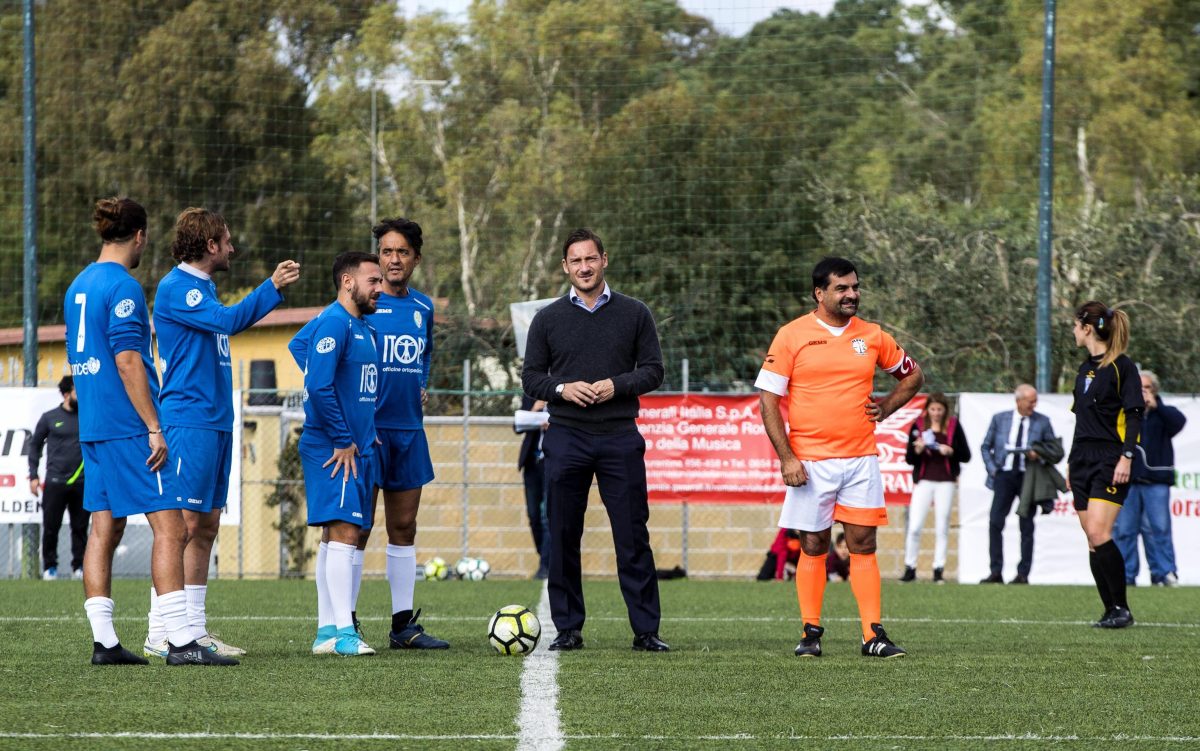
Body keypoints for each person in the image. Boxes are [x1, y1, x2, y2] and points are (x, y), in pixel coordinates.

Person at [65, 197, 235, 666]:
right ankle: (179, 640)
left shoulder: (78, 285)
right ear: (139, 236)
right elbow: (126, 361)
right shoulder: (123, 287)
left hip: (94, 425)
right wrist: (153, 426)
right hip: (127, 426)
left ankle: (105, 642)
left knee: (104, 526)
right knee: (171, 527)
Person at [144, 207, 300, 660]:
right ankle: (162, 631)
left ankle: (193, 629)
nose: (232, 248)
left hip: (215, 420)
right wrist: (271, 288)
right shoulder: (178, 288)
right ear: (209, 245)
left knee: (206, 526)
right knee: (183, 526)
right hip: (188, 420)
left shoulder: (203, 289)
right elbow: (230, 322)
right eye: (227, 241)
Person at [756, 256, 924, 659]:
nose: (852, 294)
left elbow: (913, 376)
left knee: (863, 543)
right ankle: (810, 633)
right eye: (842, 288)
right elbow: (768, 400)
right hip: (810, 461)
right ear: (820, 293)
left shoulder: (872, 335)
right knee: (813, 544)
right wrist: (787, 458)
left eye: (855, 287)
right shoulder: (792, 335)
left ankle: (873, 635)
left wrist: (886, 407)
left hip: (860, 458)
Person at [290, 219, 447, 650]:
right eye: (385, 252)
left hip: (408, 430)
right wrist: (332, 391)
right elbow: (304, 349)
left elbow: (425, 353)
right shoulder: (350, 309)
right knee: (353, 528)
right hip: (364, 433)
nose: (392, 260)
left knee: (404, 525)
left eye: (401, 252)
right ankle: (346, 624)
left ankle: (402, 626)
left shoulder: (423, 308)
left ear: (415, 258)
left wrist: (420, 383)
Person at [521, 227, 668, 652]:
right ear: (565, 266)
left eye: (591, 259)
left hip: (620, 436)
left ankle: (646, 631)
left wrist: (615, 386)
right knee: (564, 533)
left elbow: (653, 370)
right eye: (575, 261)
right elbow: (532, 377)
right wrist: (563, 390)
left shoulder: (635, 312)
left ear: (604, 259)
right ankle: (568, 628)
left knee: (632, 533)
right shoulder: (547, 318)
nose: (584, 267)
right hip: (566, 436)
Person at [291, 251, 383, 656]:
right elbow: (320, 387)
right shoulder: (334, 321)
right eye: (373, 281)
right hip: (333, 448)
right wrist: (345, 438)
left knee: (336, 536)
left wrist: (367, 431)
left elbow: (299, 346)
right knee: (346, 533)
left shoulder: (360, 326)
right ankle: (346, 634)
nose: (380, 288)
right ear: (348, 282)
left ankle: (327, 631)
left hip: (355, 445)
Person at [1069, 302, 1144, 628]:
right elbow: (1081, 421)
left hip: (1110, 458)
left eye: (1075, 325)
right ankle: (1110, 610)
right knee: (1091, 538)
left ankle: (1123, 609)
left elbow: (1134, 413)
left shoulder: (1123, 367)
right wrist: (1071, 463)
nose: (1072, 331)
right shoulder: (1084, 370)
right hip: (1082, 460)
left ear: (1087, 327)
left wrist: (1127, 456)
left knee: (1100, 533)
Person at [979, 385, 1056, 584]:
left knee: (1026, 525)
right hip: (1003, 476)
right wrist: (993, 470)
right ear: (1018, 401)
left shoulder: (1043, 422)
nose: (1033, 405)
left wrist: (1038, 454)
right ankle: (995, 571)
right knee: (995, 522)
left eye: (1035, 401)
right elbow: (985, 446)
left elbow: (1053, 450)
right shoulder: (1000, 419)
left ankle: (1023, 574)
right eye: (1030, 401)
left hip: (1028, 477)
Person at [1114, 370, 1184, 587]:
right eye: (1138, 388)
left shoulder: (1164, 413)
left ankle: (1165, 573)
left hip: (1157, 480)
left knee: (1159, 529)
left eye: (1146, 388)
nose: (1141, 392)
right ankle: (1126, 576)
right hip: (1128, 480)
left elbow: (1179, 423)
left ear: (1154, 390)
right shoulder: (1123, 412)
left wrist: (1157, 406)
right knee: (1125, 530)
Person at [901, 392, 971, 583]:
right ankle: (910, 567)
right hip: (924, 480)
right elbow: (909, 458)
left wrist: (951, 452)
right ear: (927, 409)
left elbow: (966, 455)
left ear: (945, 410)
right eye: (932, 409)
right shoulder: (918, 426)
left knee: (942, 526)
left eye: (940, 409)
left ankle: (938, 569)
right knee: (915, 526)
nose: (936, 413)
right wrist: (917, 450)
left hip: (946, 481)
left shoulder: (954, 426)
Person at [27, 375, 87, 581]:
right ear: (66, 394)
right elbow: (34, 446)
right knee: (51, 527)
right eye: (76, 392)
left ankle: (79, 567)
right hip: (54, 482)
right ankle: (50, 568)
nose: (81, 396)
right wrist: (33, 476)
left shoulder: (87, 417)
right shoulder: (49, 417)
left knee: (80, 528)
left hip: (81, 483)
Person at [515, 395, 551, 580]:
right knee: (533, 515)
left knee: (547, 516)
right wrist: (536, 411)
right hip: (532, 463)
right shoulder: (531, 395)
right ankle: (545, 557)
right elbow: (517, 425)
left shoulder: (566, 392)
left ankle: (545, 567)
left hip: (553, 462)